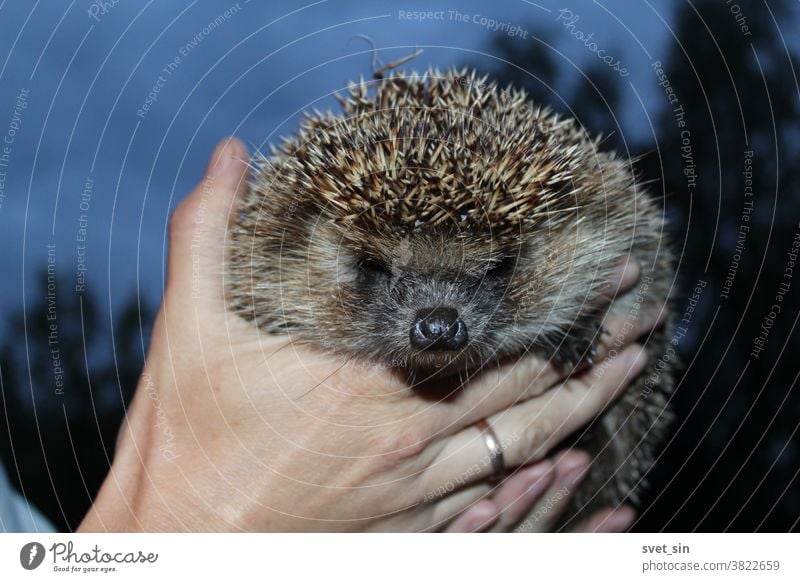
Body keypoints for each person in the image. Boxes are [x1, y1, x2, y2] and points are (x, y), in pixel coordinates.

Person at [73, 138, 658, 532]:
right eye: (378, 269)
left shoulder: (584, 234)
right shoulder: (281, 263)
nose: (438, 322)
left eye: (495, 268)